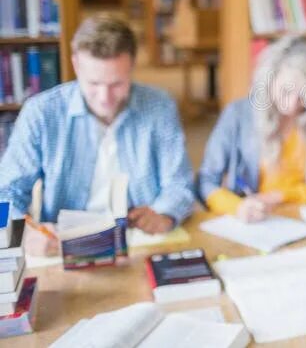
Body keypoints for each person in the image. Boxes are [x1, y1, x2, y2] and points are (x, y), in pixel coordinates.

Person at [0, 16, 195, 256]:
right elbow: (5, 192)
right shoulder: (41, 112)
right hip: (62, 245)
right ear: (76, 65)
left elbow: (179, 183)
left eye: (116, 84)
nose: (104, 97)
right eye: (93, 83)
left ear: (132, 66)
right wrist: (25, 232)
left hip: (140, 241)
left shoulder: (160, 106)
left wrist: (165, 214)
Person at [197, 36, 306, 221]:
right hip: (255, 221)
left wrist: (281, 196)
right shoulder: (238, 115)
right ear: (269, 80)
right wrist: (237, 207)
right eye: (286, 91)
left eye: (304, 96)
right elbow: (205, 182)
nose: (292, 104)